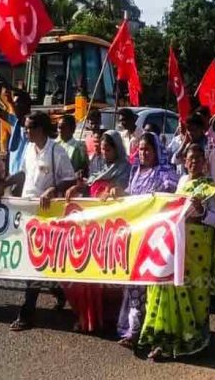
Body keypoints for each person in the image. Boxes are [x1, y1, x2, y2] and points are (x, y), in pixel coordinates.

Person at [139, 143, 215, 360]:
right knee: (165, 288)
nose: (193, 161)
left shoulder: (211, 188)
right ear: (184, 161)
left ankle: (194, 339)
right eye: (190, 158)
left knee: (195, 295)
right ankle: (163, 342)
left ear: (205, 163)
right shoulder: (182, 183)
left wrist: (203, 211)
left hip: (197, 254)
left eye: (198, 158)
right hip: (176, 248)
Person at [0, 111, 77, 330]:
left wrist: (53, 189)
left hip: (47, 215)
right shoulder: (28, 150)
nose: (26, 131)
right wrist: (4, 184)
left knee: (35, 263)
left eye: (29, 127)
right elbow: (22, 174)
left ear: (40, 129)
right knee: (34, 261)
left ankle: (26, 313)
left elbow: (70, 179)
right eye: (25, 127)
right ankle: (58, 290)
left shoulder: (56, 150)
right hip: (28, 213)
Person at [62, 130, 131, 334]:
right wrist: (77, 189)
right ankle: (89, 319)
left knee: (109, 276)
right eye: (102, 149)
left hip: (113, 230)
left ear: (117, 149)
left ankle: (112, 319)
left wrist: (118, 193)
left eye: (108, 149)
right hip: (91, 228)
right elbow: (90, 187)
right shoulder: (97, 166)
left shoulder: (126, 169)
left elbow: (132, 196)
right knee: (87, 274)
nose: (104, 153)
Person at [117, 132, 179, 348]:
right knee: (134, 282)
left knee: (148, 284)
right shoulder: (135, 171)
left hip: (155, 239)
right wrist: (116, 194)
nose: (143, 154)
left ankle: (144, 331)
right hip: (134, 236)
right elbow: (130, 196)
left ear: (156, 151)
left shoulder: (164, 172)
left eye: (148, 150)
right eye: (141, 150)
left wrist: (155, 195)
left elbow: (172, 193)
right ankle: (133, 330)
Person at [173, 113, 215, 184]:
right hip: (187, 184)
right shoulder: (188, 145)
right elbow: (175, 160)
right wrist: (184, 143)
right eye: (189, 130)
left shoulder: (210, 147)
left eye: (194, 130)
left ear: (201, 128)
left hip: (204, 186)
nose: (191, 133)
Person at [6, 89, 32, 180]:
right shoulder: (15, 121)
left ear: (25, 106)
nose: (14, 106)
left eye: (16, 103)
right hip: (13, 173)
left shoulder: (31, 125)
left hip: (24, 177)